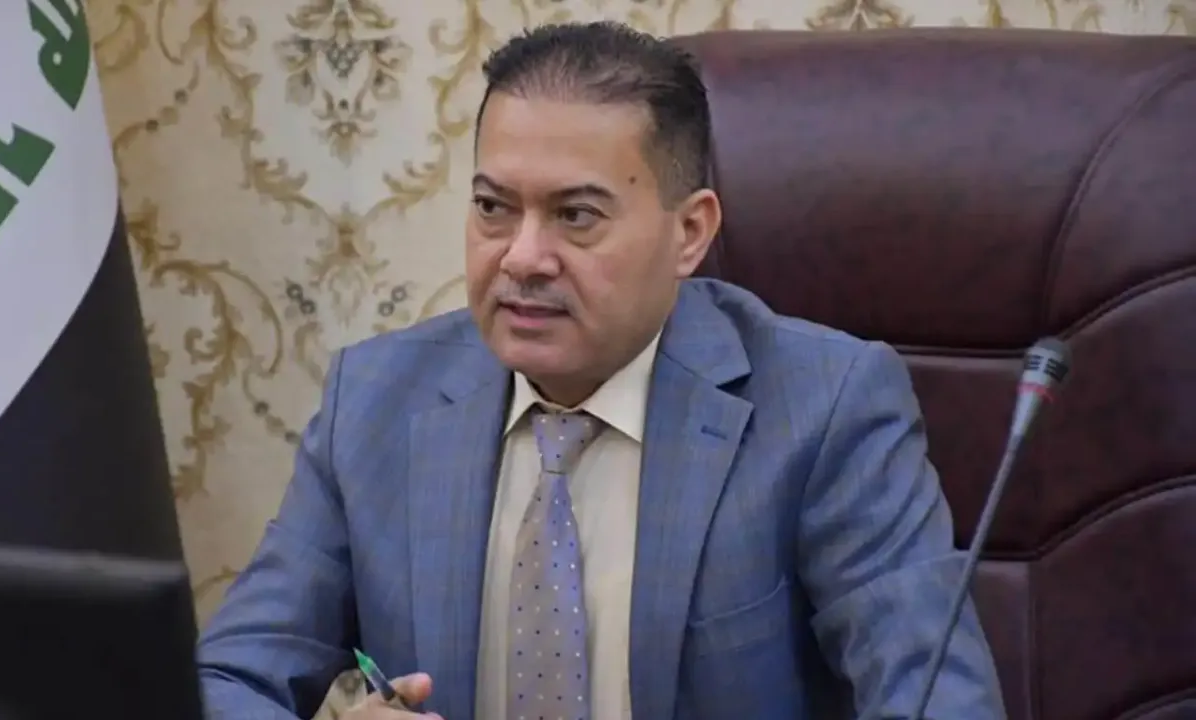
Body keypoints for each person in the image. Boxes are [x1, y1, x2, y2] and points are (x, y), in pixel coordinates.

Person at [195, 21, 1006, 720]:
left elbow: (938, 699)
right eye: (493, 207)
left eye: (575, 216)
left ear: (690, 233)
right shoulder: (375, 402)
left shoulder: (824, 408)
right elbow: (225, 679)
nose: (522, 257)